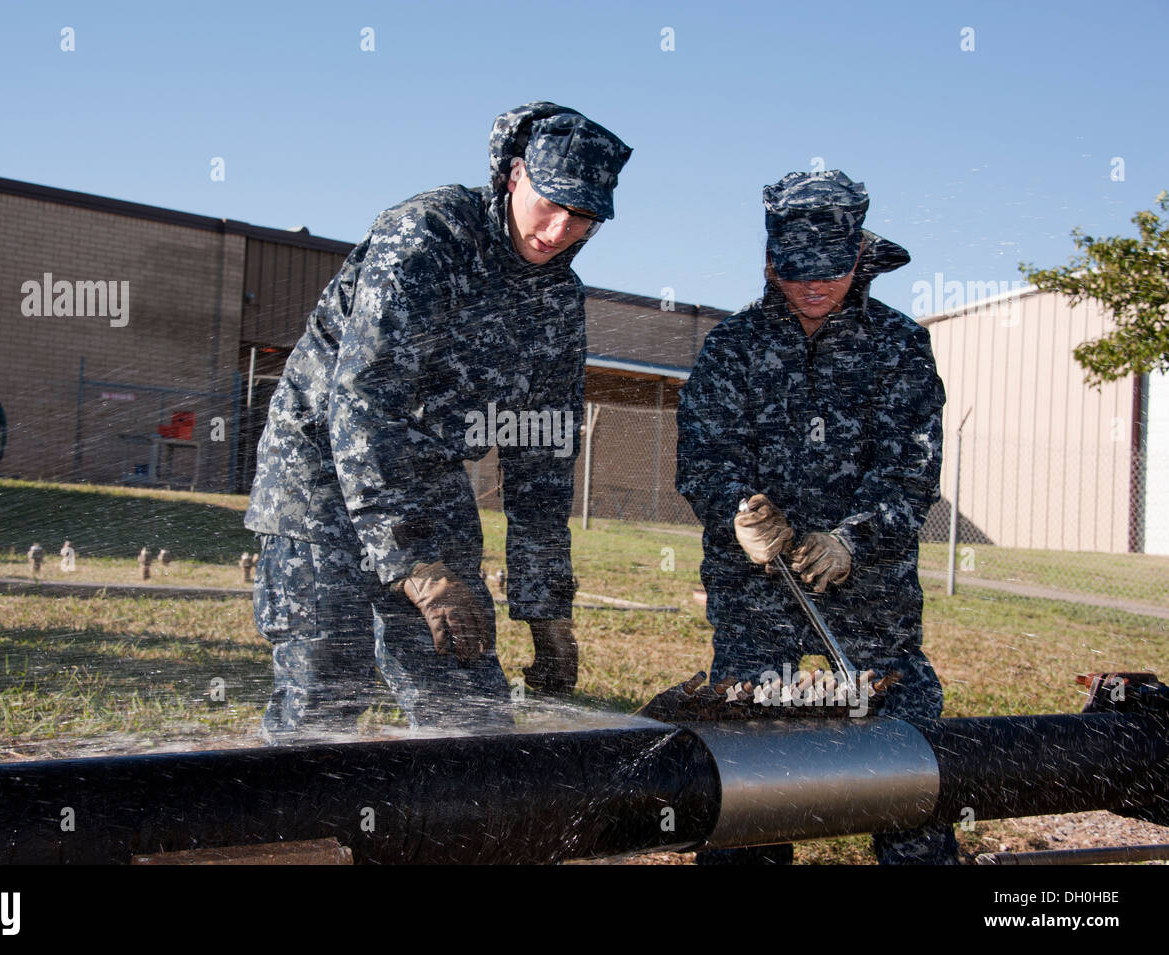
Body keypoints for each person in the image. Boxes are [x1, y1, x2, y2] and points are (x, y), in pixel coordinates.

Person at [244, 102, 631, 736]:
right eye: (551, 201)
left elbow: (542, 457)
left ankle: (456, 832)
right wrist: (415, 564)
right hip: (318, 479)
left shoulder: (559, 301)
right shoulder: (425, 236)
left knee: (466, 695)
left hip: (426, 480)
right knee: (327, 688)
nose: (561, 228)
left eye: (584, 216)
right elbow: (367, 402)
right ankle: (294, 831)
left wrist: (545, 609)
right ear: (513, 176)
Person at [675, 170, 958, 864]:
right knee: (748, 782)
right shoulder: (731, 348)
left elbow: (910, 473)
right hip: (756, 599)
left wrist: (850, 541)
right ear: (771, 261)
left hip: (871, 600)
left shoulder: (897, 347)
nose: (811, 287)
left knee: (905, 767)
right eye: (795, 271)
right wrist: (738, 513)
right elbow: (703, 459)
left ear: (858, 257)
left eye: (828, 271)